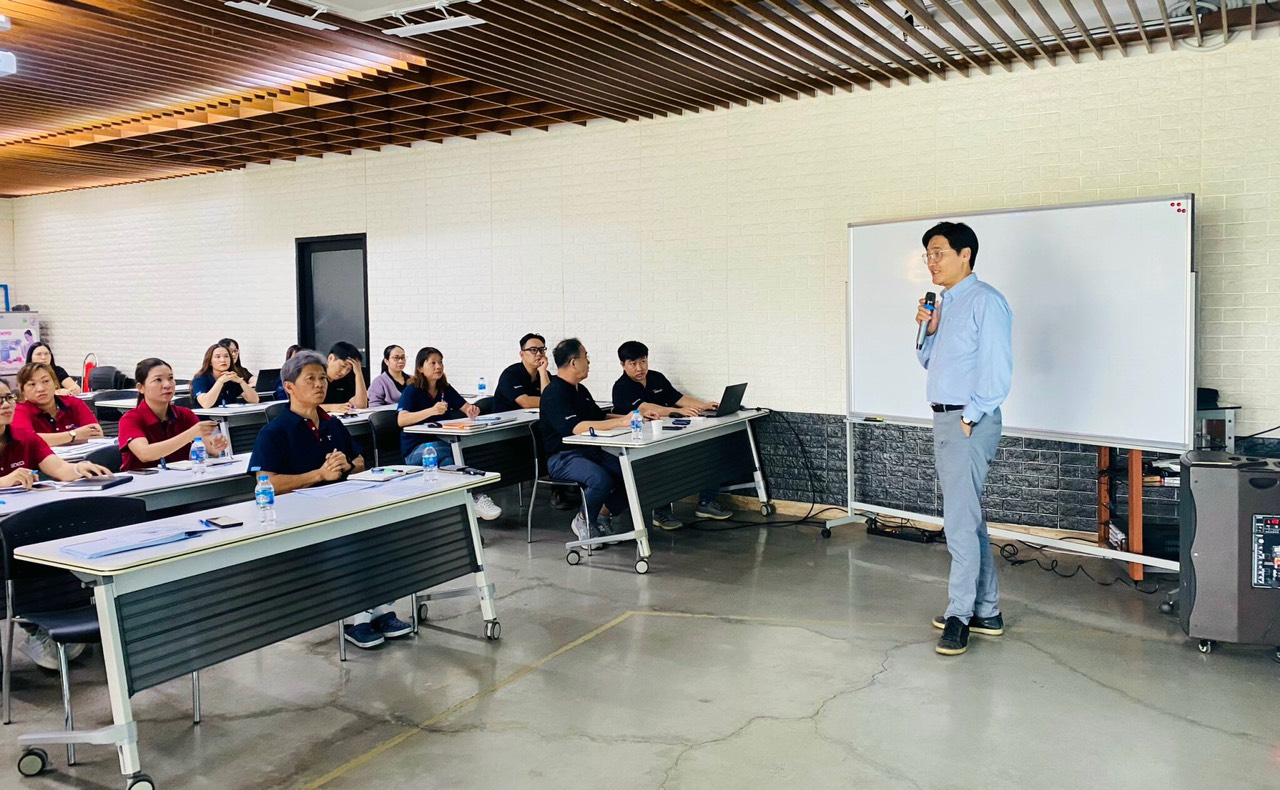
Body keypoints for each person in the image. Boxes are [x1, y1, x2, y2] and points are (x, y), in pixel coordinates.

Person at [248, 350, 409, 650]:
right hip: (298, 516)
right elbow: (265, 483)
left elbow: (359, 460)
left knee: (384, 530)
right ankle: (357, 619)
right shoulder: (275, 432)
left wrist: (347, 466)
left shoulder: (332, 424)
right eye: (310, 379)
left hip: (338, 504)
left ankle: (378, 609)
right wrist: (318, 474)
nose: (320, 384)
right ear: (289, 387)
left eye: (323, 378)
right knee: (352, 541)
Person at [915, 221, 1013, 657]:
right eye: (928, 255)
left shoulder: (986, 301)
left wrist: (970, 418)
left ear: (965, 254)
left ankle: (959, 616)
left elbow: (996, 371)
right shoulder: (947, 303)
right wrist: (929, 329)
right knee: (968, 518)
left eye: (938, 253)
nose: (931, 262)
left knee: (958, 521)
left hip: (967, 421)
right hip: (947, 419)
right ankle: (986, 611)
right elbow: (928, 361)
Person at [0, 377, 114, 670]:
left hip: (19, 524)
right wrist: (4, 480)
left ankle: (46, 621)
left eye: (8, 398)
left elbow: (60, 469)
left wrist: (79, 468)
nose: (6, 405)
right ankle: (34, 625)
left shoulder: (24, 437)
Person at [540, 338, 659, 541]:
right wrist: (621, 422)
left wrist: (634, 417)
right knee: (600, 479)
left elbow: (599, 417)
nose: (588, 362)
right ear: (573, 362)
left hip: (590, 452)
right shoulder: (554, 393)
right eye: (585, 357)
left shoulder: (580, 389)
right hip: (563, 457)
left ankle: (602, 514)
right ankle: (583, 520)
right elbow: (576, 428)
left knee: (633, 473)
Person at [612, 341, 732, 529]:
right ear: (623, 365)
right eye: (633, 364)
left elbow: (678, 398)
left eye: (643, 361)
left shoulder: (656, 377)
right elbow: (645, 407)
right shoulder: (621, 387)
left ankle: (706, 502)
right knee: (663, 464)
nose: (639, 368)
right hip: (638, 440)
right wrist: (676, 411)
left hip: (665, 432)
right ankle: (661, 512)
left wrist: (703, 405)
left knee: (707, 449)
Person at [397, 347, 502, 521]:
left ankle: (468, 502)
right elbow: (401, 420)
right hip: (416, 450)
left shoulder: (444, 388)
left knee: (449, 461)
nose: (438, 366)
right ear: (420, 368)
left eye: (440, 362)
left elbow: (466, 406)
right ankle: (476, 496)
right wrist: (431, 411)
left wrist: (472, 410)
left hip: (441, 446)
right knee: (456, 451)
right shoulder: (412, 390)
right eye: (432, 363)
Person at [119, 357, 229, 472]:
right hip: (141, 481)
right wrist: (190, 435)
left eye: (170, 378)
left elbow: (209, 447)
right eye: (158, 380)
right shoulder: (130, 419)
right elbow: (145, 454)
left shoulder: (185, 414)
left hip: (180, 479)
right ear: (141, 387)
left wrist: (216, 445)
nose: (167, 385)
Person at [14, 362, 103, 447]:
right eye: (32, 384)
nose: (40, 389)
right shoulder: (19, 411)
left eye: (46, 381)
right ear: (23, 391)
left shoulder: (74, 403)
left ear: (55, 383)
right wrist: (74, 435)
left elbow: (97, 432)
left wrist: (53, 440)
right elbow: (28, 440)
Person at [493, 333, 550, 412]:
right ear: (522, 354)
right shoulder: (510, 374)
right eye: (533, 350)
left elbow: (549, 396)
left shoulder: (545, 374)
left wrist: (543, 371)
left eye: (542, 350)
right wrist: (550, 402)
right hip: (507, 418)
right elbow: (525, 402)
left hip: (532, 418)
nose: (539, 354)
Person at [192, 343, 260, 408]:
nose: (223, 360)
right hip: (205, 416)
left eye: (226, 356)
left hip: (228, 415)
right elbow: (206, 404)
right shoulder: (200, 379)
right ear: (210, 362)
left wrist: (241, 382)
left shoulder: (232, 378)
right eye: (218, 357)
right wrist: (220, 381)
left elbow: (255, 400)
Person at [324, 341, 368, 411]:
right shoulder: (316, 378)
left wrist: (358, 372)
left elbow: (361, 405)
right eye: (343, 366)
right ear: (331, 358)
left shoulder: (347, 379)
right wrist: (332, 407)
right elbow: (305, 407)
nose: (344, 372)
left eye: (349, 369)